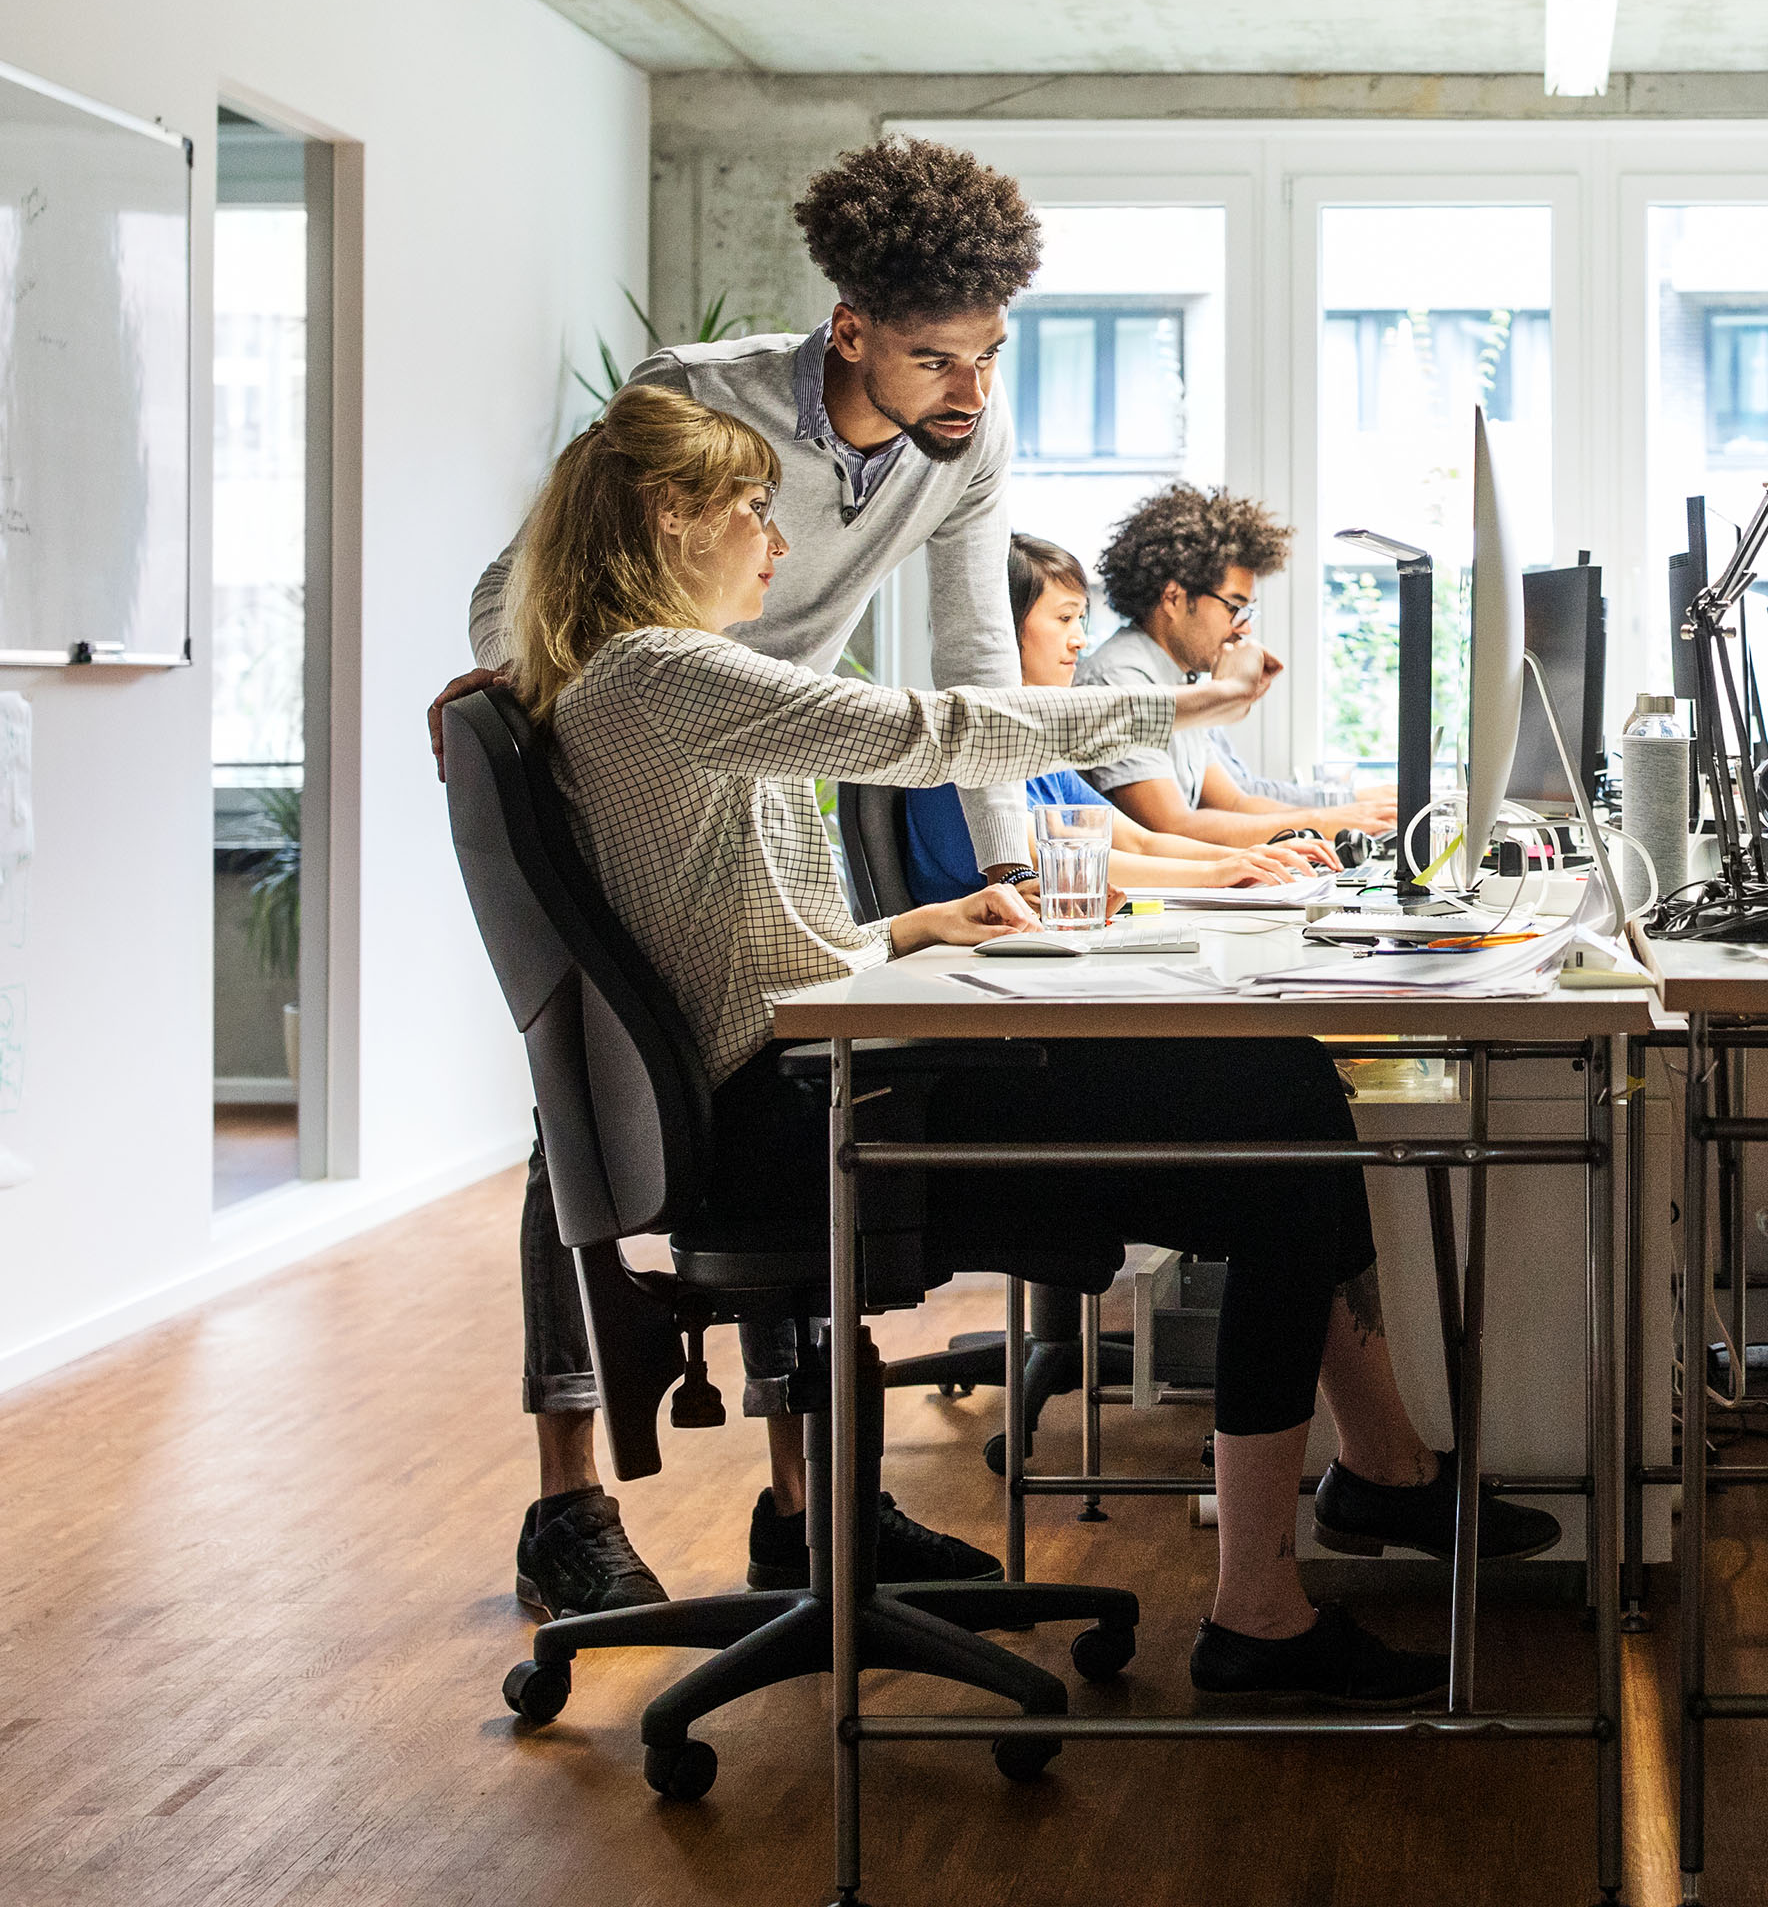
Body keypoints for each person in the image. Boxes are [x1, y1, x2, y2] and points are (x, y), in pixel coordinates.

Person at [512, 387, 1551, 1702]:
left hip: (795, 1099)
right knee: (1284, 1119)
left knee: (1280, 1097)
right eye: (748, 510)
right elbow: (931, 731)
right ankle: (1267, 1609)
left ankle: (1355, 1504)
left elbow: (736, 948)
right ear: (669, 519)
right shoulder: (664, 675)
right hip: (809, 1129)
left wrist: (908, 931)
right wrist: (1179, 710)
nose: (776, 543)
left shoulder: (628, 684)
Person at [434, 135, 1061, 1625]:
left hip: (785, 762)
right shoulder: (694, 398)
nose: (966, 393)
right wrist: (520, 719)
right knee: (595, 1094)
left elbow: (972, 666)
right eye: (932, 358)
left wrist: (1018, 865)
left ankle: (810, 1518)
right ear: (849, 331)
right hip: (631, 744)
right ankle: (567, 1502)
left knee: (799, 1085)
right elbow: (530, 582)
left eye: (987, 354)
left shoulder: (963, 445)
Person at [889, 534, 1341, 907]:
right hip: (965, 975)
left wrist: (1252, 858)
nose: (1080, 640)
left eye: (1081, 619)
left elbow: (1139, 843)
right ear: (999, 630)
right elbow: (1056, 863)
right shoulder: (959, 744)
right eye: (1065, 618)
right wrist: (1217, 871)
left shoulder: (1041, 751)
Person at [1076, 483, 1395, 851]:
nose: (1245, 627)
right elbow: (1172, 825)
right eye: (1234, 607)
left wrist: (1351, 815)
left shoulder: (1182, 678)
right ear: (1174, 598)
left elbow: (1234, 802)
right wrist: (1326, 822)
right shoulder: (1120, 679)